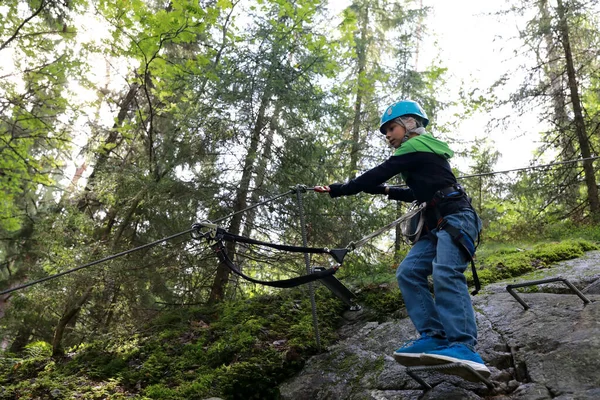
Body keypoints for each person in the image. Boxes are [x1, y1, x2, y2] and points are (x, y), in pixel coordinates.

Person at [315, 99, 490, 380]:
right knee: (408, 272)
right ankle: (434, 335)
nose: (387, 135)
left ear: (410, 124)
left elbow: (379, 172)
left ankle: (464, 346)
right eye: (385, 131)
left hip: (457, 219)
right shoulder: (419, 153)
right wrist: (384, 190)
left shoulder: (416, 146)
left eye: (391, 128)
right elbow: (416, 192)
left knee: (446, 271)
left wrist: (341, 189)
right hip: (438, 224)